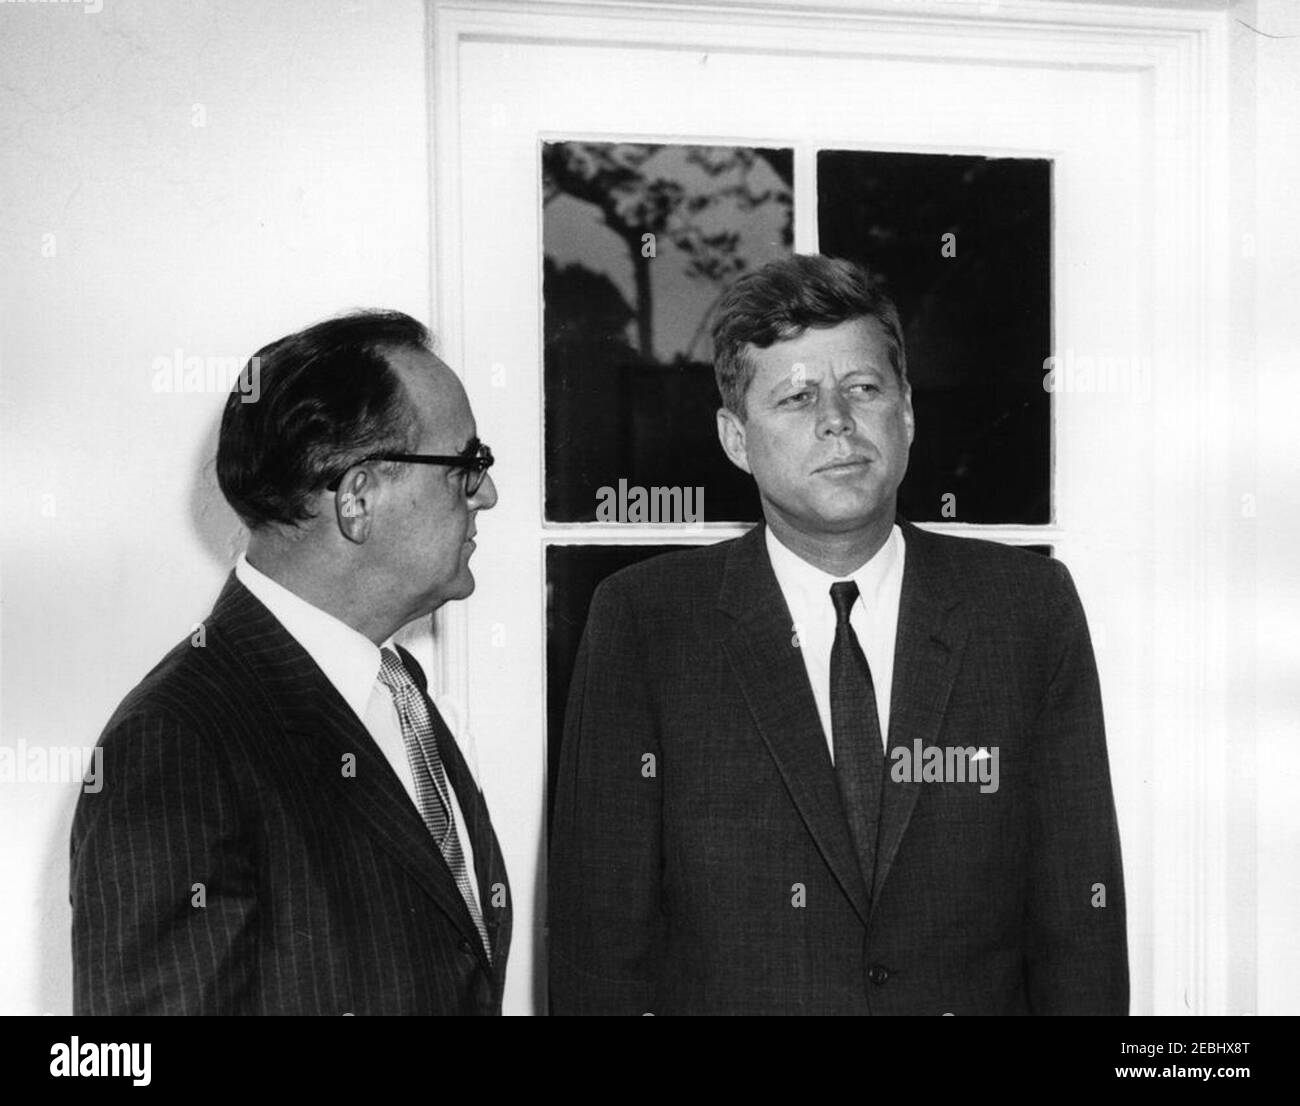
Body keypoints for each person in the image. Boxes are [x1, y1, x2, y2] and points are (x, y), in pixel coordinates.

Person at [549, 254, 1128, 1015]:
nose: (837, 420)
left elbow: (1078, 930)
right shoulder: (645, 624)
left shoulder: (1026, 610)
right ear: (734, 438)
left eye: (863, 388)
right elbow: (600, 949)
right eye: (795, 398)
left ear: (908, 413)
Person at [71, 311, 510, 1014]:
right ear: (359, 499)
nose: (485, 493)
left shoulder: (402, 697)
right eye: (467, 465)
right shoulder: (178, 742)